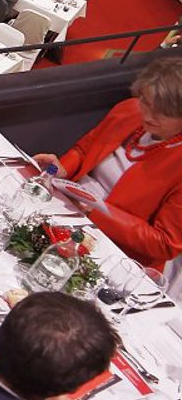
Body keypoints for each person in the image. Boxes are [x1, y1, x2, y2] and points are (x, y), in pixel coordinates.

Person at [28, 56, 182, 270]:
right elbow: (84, 151)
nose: (149, 116)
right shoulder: (129, 110)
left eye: (164, 112)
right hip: (66, 208)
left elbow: (165, 243)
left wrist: (95, 210)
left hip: (111, 250)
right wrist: (63, 170)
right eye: (146, 102)